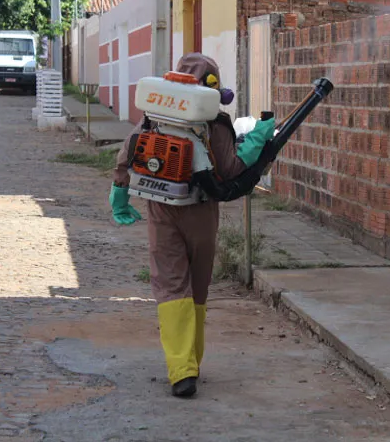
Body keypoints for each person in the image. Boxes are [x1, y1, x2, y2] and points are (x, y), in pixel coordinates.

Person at [109, 53, 274, 397]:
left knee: (170, 286)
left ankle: (181, 369)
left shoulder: (155, 117)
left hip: (160, 209)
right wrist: (258, 138)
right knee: (197, 286)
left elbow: (127, 155)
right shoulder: (212, 121)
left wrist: (119, 197)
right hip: (200, 210)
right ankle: (191, 363)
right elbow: (229, 171)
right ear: (213, 85)